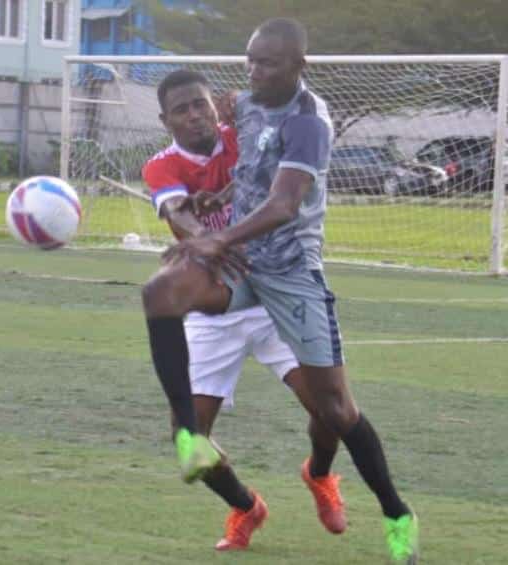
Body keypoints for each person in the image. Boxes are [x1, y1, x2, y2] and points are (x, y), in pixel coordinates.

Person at [142, 19, 419, 563]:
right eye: (250, 60)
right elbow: (251, 171)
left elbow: (284, 202)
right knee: (159, 293)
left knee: (335, 411)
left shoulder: (310, 122)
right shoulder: (244, 105)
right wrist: (214, 201)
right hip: (240, 271)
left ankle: (394, 511)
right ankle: (199, 450)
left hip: (290, 275)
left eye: (267, 63)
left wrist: (214, 235)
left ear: (299, 65)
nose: (254, 72)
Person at [142, 69, 344, 551]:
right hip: (215, 304)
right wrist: (204, 239)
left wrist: (253, 105)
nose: (194, 115)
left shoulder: (247, 138)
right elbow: (178, 212)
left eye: (200, 104)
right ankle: (246, 506)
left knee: (330, 411)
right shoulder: (161, 166)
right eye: (181, 109)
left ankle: (318, 474)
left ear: (215, 105)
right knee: (188, 436)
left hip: (273, 292)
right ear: (164, 119)